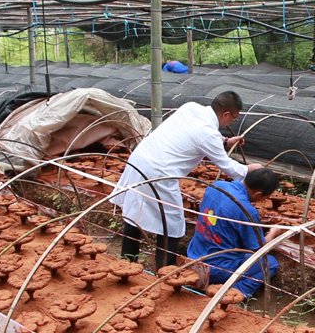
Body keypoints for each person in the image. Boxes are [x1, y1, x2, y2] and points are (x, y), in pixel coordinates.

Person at [111, 91, 262, 268]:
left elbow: (195, 133)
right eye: (233, 118)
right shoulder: (208, 134)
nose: (231, 122)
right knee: (172, 223)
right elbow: (229, 168)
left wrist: (226, 141)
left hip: (140, 159)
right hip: (159, 172)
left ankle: (127, 262)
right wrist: (251, 169)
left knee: (134, 210)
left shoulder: (191, 108)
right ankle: (164, 271)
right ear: (226, 114)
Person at [187, 168, 282, 297]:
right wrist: (273, 232)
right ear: (258, 193)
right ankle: (233, 293)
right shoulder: (246, 210)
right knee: (270, 263)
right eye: (266, 197)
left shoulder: (216, 186)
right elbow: (258, 249)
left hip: (193, 257)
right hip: (217, 269)